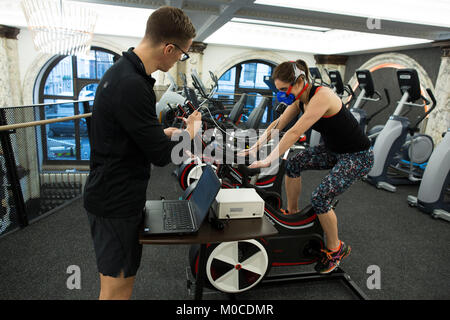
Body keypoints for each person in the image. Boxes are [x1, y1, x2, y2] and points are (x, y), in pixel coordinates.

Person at [83, 6, 200, 300]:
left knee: (116, 284)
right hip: (115, 200)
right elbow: (162, 156)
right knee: (116, 289)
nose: (178, 60)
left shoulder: (123, 72)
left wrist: (160, 133)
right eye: (182, 54)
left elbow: (124, 134)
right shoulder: (132, 84)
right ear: (169, 48)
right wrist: (191, 134)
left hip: (112, 192)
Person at [245, 60, 374, 274]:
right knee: (294, 163)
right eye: (279, 91)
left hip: (357, 156)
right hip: (333, 151)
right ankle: (293, 213)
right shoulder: (300, 98)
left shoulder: (321, 96)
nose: (282, 95)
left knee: (320, 198)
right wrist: (253, 148)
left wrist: (268, 159)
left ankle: (336, 249)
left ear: (300, 81)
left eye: (284, 89)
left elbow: (294, 132)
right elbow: (277, 125)